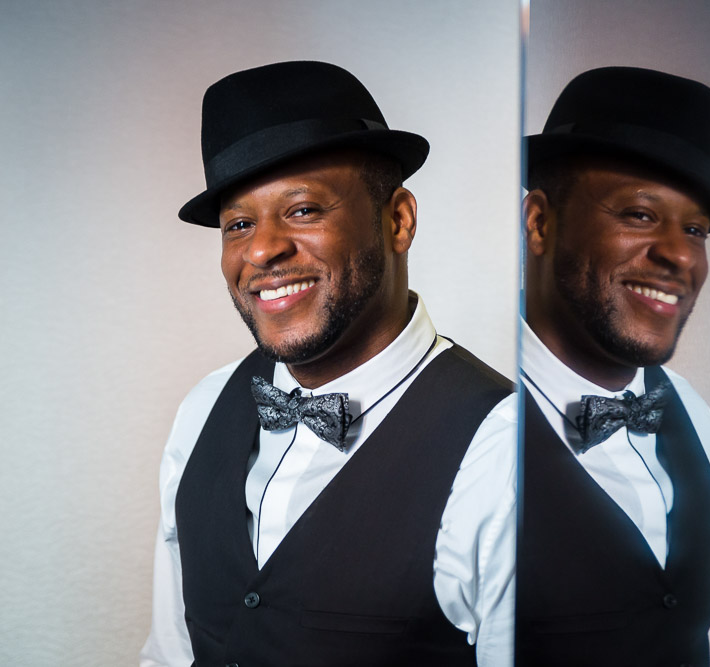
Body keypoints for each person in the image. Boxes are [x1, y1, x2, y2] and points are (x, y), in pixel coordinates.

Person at [139, 61, 516, 667]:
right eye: (238, 223)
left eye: (303, 209)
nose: (262, 250)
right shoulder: (203, 409)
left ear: (398, 220)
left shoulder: (505, 454)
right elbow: (170, 654)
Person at [516, 67, 710, 666]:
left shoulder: (692, 415)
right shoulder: (457, 421)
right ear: (540, 222)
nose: (678, 253)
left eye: (694, 228)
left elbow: (704, 638)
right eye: (640, 214)